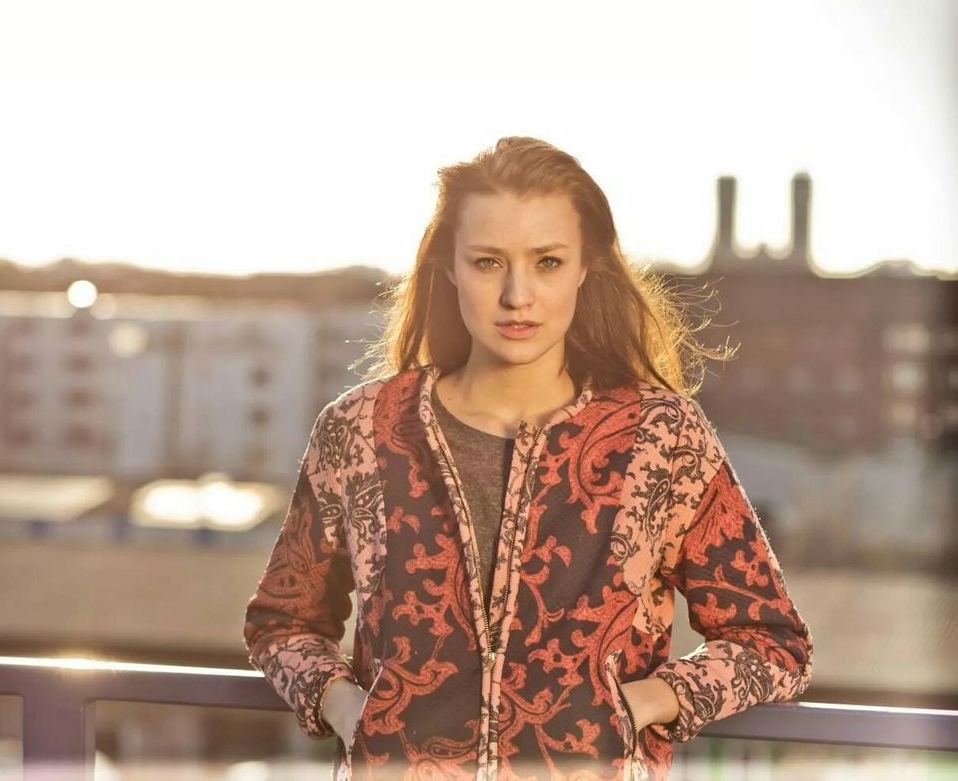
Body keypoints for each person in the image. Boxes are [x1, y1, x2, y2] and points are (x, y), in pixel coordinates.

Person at [243, 136, 814, 780]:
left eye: (547, 261)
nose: (518, 295)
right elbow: (283, 619)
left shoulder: (661, 437)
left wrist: (645, 703)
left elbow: (772, 642)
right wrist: (343, 705)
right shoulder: (360, 431)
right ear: (450, 267)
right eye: (488, 262)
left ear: (584, 268)